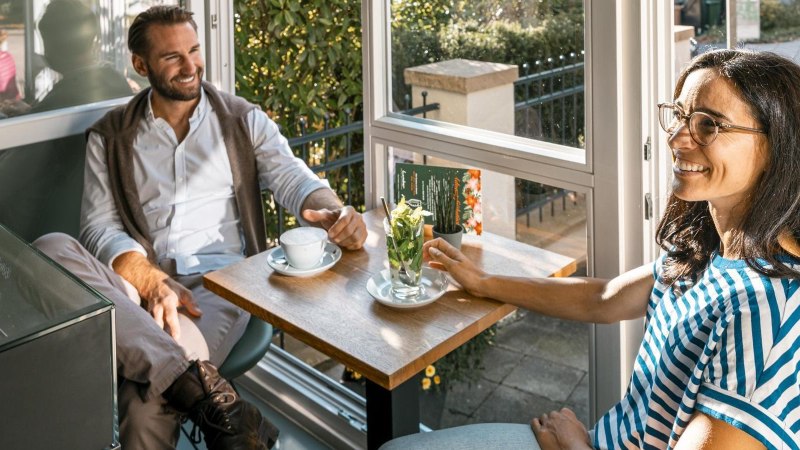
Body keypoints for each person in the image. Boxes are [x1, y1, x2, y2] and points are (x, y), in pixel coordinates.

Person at [382, 49, 800, 450]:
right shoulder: (710, 246)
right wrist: (484, 281)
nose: (675, 138)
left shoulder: (771, 314)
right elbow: (603, 298)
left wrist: (574, 446)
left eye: (708, 125)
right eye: (678, 117)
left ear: (777, 146)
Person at [33, 5, 367, 450]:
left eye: (194, 50)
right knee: (50, 246)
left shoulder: (241, 119)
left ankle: (199, 392)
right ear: (141, 64)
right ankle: (220, 403)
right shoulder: (110, 136)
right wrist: (151, 281)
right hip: (139, 288)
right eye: (172, 57)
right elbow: (97, 229)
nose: (191, 66)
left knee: (145, 403)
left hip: (219, 287)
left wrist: (331, 210)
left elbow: (293, 177)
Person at [29, 0, 133, 114]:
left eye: (45, 44)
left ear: (54, 48)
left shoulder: (61, 97)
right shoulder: (116, 79)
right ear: (92, 39)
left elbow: (36, 121)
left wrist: (26, 113)